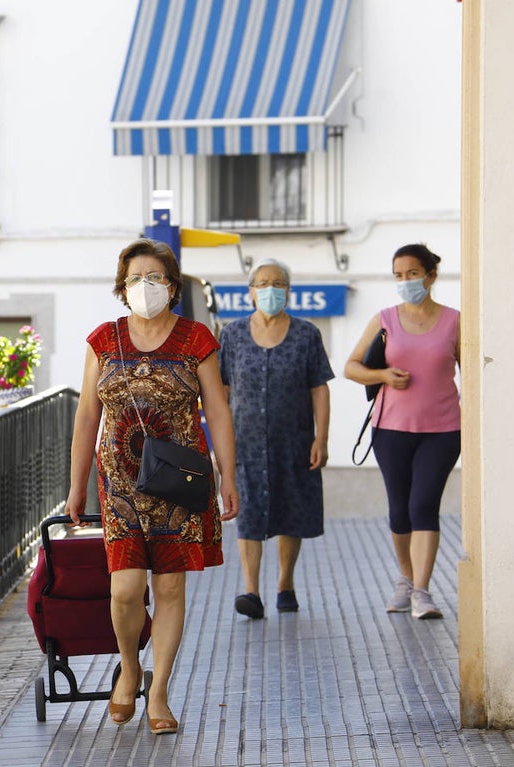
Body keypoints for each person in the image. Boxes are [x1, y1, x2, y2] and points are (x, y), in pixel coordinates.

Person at [66, 238, 239, 736]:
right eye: (136, 278)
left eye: (156, 278)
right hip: (118, 485)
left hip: (180, 486)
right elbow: (86, 417)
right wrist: (76, 486)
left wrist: (229, 476)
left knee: (168, 586)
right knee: (124, 590)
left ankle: (158, 690)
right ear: (122, 287)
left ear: (172, 285)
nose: (146, 287)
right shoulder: (104, 340)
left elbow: (219, 411)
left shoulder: (196, 339)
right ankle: (130, 666)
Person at [344, 243, 460, 620]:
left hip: (443, 429)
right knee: (399, 509)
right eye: (398, 275)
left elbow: (472, 370)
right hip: (390, 428)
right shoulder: (385, 319)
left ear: (430, 275)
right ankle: (406, 579)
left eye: (412, 273)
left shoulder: (455, 321)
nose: (406, 281)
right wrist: (382, 375)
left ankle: (423, 591)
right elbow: (351, 366)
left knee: (423, 505)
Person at [218, 259, 333, 618]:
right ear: (251, 292)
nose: (271, 289)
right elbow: (220, 390)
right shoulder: (232, 334)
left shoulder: (306, 334)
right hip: (245, 443)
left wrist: (322, 437)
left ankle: (285, 583)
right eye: (263, 283)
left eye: (278, 283)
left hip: (294, 440)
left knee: (290, 509)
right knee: (249, 512)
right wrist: (218, 444)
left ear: (288, 291)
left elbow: (320, 387)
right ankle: (251, 590)